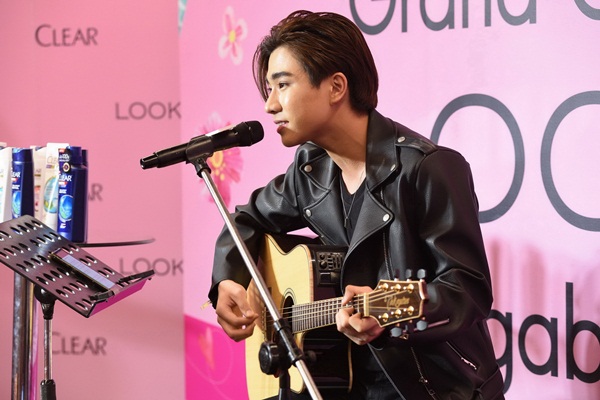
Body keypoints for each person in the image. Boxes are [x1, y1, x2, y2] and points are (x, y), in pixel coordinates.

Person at [208, 10, 505, 400]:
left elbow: (466, 292)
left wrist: (387, 318)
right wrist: (228, 279)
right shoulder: (311, 170)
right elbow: (245, 219)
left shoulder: (428, 169)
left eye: (282, 85)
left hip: (432, 388)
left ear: (336, 87)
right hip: (346, 385)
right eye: (268, 88)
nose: (270, 105)